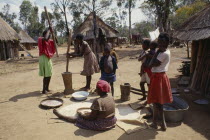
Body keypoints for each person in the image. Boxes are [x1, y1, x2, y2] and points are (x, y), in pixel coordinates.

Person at [147, 32, 173, 131]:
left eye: (162, 43)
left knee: (158, 102)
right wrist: (158, 51)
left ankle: (162, 123)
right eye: (159, 43)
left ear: (167, 43)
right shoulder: (166, 51)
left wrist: (157, 52)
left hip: (159, 78)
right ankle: (156, 123)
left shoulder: (163, 54)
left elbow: (150, 64)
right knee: (156, 101)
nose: (160, 45)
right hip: (158, 77)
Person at [38, 27, 55, 94]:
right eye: (48, 34)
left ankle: (47, 88)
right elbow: (45, 38)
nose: (49, 36)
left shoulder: (49, 41)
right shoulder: (41, 39)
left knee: (49, 74)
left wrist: (53, 33)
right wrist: (48, 29)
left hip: (48, 58)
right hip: (43, 57)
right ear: (45, 34)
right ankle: (43, 90)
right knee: (46, 74)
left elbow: (56, 41)